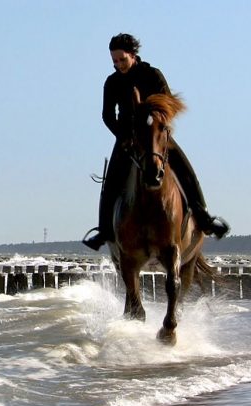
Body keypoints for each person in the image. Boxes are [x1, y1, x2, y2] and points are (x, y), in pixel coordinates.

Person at [83, 33, 230, 251]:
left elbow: (169, 104)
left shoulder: (152, 74)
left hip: (156, 136)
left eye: (122, 59)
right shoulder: (112, 82)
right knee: (111, 181)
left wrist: (157, 125)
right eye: (114, 61)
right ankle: (104, 230)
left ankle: (204, 217)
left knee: (185, 170)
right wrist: (124, 136)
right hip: (128, 138)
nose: (118, 65)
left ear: (133, 55)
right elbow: (107, 115)